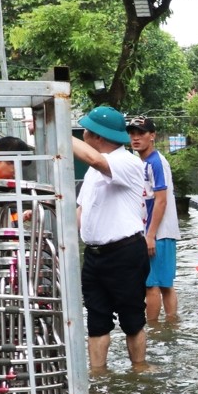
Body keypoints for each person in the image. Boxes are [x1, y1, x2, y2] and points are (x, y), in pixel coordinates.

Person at [73, 105, 149, 372]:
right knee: (96, 318)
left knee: (132, 317)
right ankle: (98, 374)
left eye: (86, 130)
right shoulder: (94, 172)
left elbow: (95, 160)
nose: (82, 133)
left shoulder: (126, 162)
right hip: (94, 255)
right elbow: (80, 210)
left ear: (97, 136)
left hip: (124, 253)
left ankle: (139, 367)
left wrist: (57, 129)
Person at [126, 117, 179, 322]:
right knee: (164, 284)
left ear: (152, 136)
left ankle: (154, 330)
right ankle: (171, 324)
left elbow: (161, 201)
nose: (136, 138)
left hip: (158, 231)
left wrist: (150, 235)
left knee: (152, 285)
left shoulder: (156, 162)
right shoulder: (142, 162)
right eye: (132, 133)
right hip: (155, 231)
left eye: (141, 133)